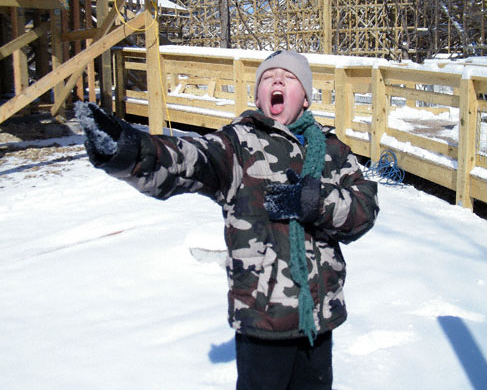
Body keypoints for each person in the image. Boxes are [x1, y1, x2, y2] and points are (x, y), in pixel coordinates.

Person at [76, 50, 379, 390]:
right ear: (258, 96)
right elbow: (188, 159)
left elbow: (364, 209)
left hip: (318, 320)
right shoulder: (236, 145)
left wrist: (315, 201)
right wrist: (129, 149)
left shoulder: (332, 151)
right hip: (261, 320)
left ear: (306, 97)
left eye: (289, 77)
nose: (277, 80)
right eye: (268, 77)